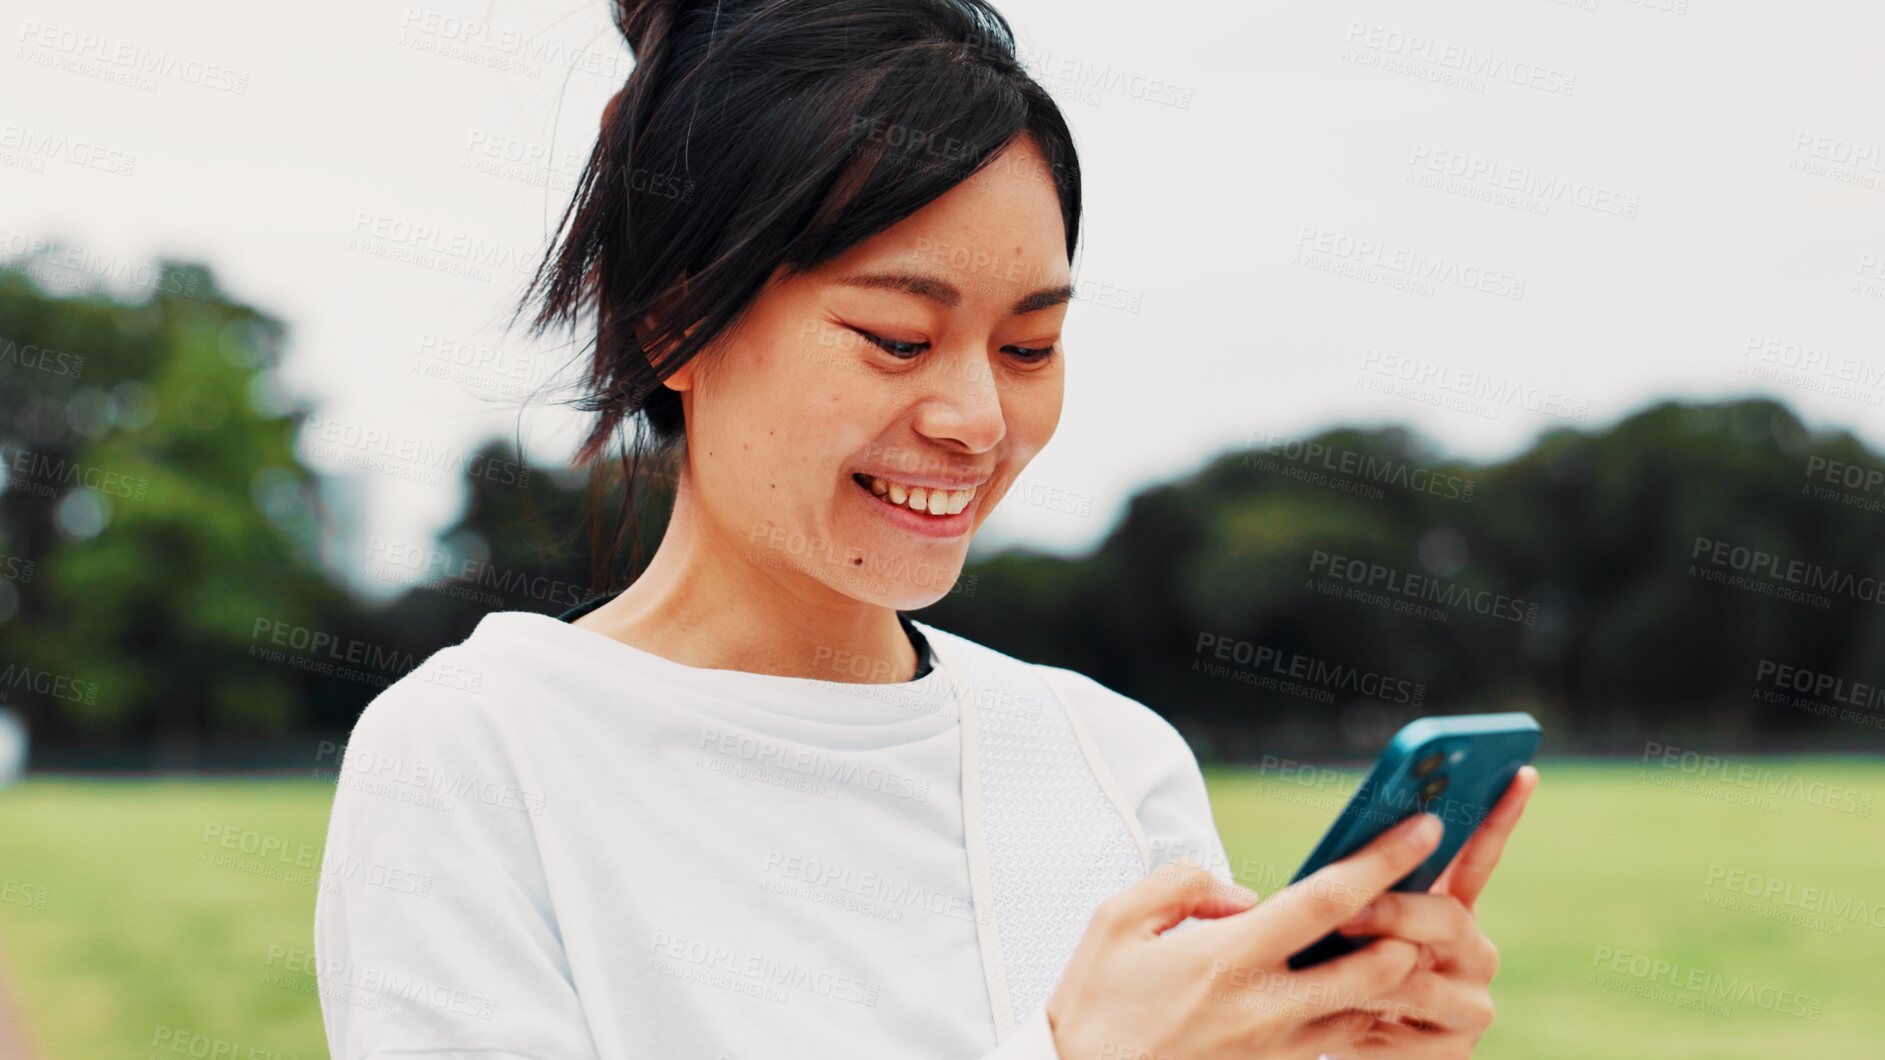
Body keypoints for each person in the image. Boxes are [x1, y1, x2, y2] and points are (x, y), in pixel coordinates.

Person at [312, 1, 1538, 1056]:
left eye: (1030, 347)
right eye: (898, 339)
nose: (975, 418)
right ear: (677, 320)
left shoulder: (1111, 761)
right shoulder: (476, 757)